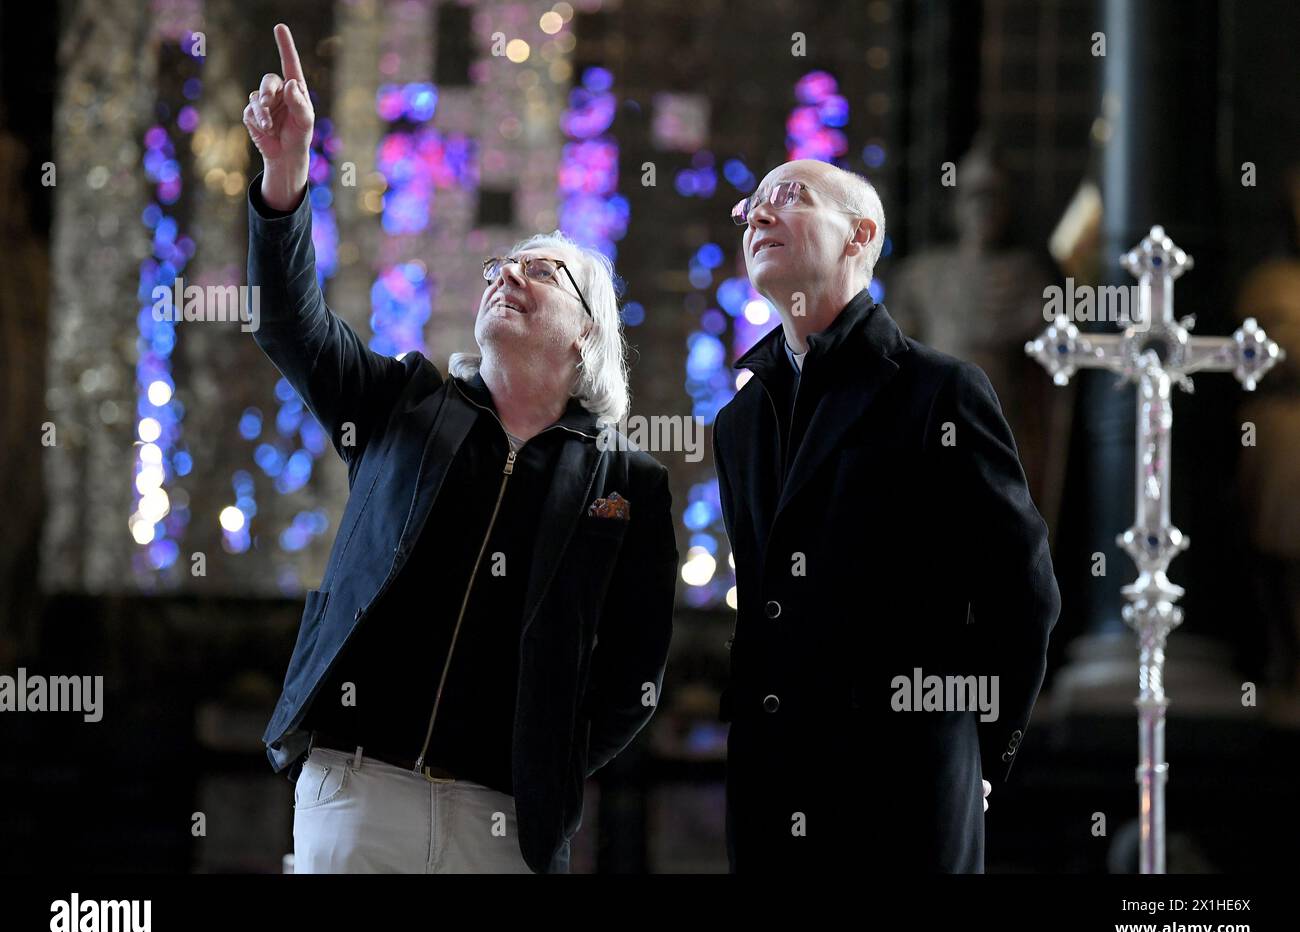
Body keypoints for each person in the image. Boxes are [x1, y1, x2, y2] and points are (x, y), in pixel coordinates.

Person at [243, 24, 678, 873]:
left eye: (538, 272)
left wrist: (543, 757)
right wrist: (286, 176)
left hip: (501, 820)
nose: (503, 275)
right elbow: (289, 324)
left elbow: (633, 679)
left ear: (588, 334)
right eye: (496, 268)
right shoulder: (403, 402)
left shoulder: (627, 483)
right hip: (357, 789)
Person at [713, 159, 1061, 872]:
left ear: (859, 235)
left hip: (906, 792)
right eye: (755, 204)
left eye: (791, 196)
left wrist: (977, 755)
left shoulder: (941, 391)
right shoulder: (740, 419)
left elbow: (1022, 593)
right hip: (772, 792)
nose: (759, 214)